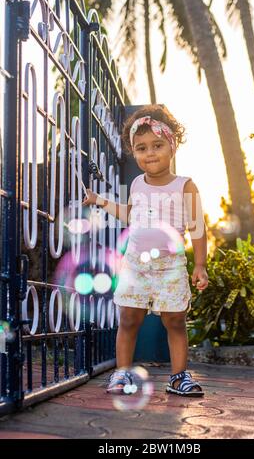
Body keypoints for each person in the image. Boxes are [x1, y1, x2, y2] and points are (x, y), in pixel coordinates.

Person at [83, 105, 208, 397]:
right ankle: (121, 373)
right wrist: (100, 200)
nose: (149, 153)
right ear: (133, 152)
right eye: (141, 148)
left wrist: (200, 265)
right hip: (135, 265)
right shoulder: (137, 183)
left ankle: (178, 377)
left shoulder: (185, 186)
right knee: (128, 318)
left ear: (172, 146)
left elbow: (198, 228)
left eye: (157, 145)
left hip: (171, 266)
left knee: (175, 320)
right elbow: (130, 215)